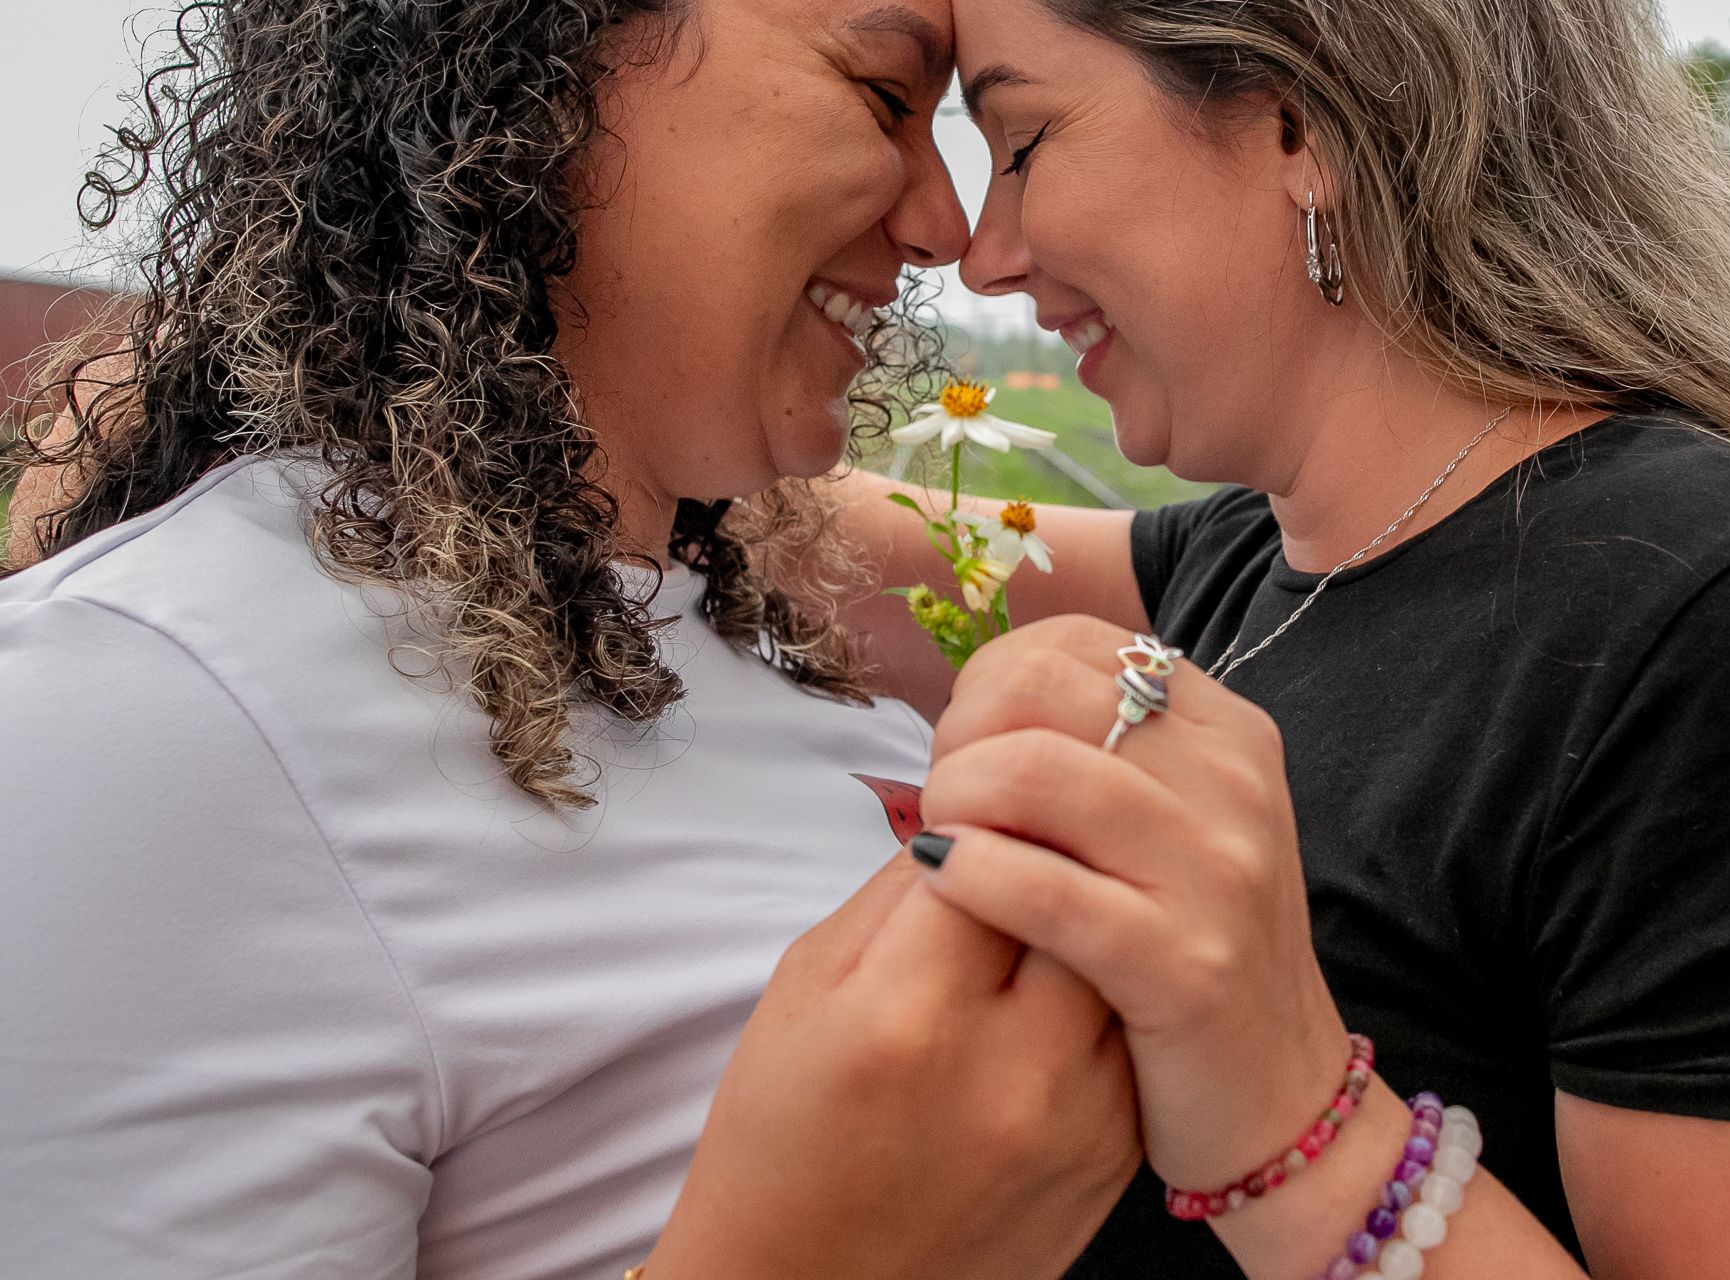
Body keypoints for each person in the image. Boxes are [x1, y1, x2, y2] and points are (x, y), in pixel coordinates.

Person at [0, 2, 1142, 1278]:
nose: (943, 224)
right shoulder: (152, 713)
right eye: (884, 97)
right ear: (533, 74)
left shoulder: (726, 645)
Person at [836, 0, 1730, 1275]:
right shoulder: (1257, 562)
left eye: (1020, 142)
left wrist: (1289, 1113)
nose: (986, 256)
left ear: (1303, 119)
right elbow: (833, 547)